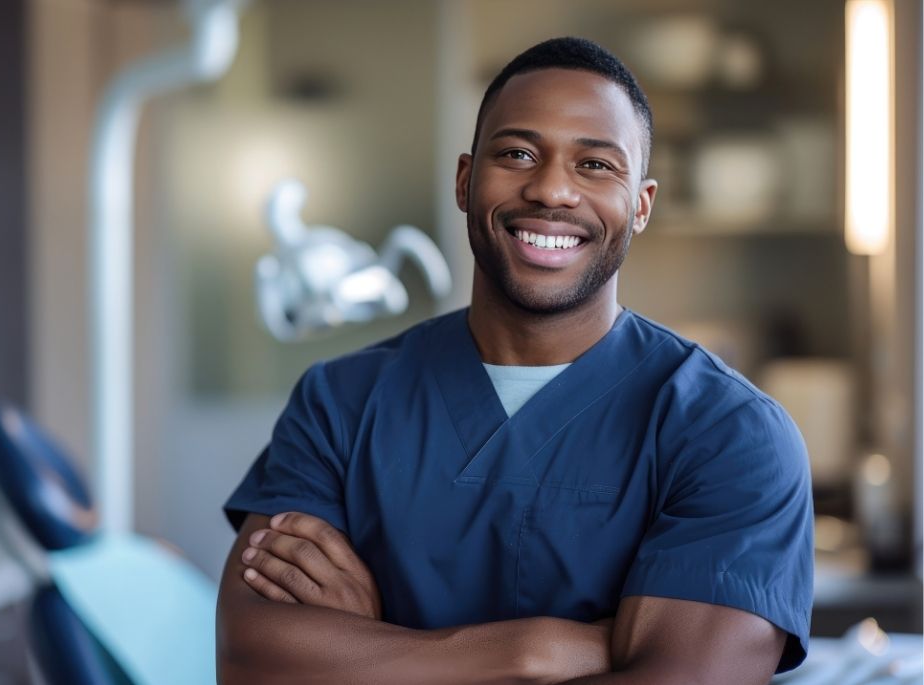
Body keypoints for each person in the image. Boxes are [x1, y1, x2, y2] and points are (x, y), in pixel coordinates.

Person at [216, 37, 813, 685]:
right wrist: (538, 651)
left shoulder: (729, 431)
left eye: (595, 165)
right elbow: (253, 661)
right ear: (466, 181)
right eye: (518, 154)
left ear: (640, 205)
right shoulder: (339, 403)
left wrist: (372, 652)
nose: (552, 189)